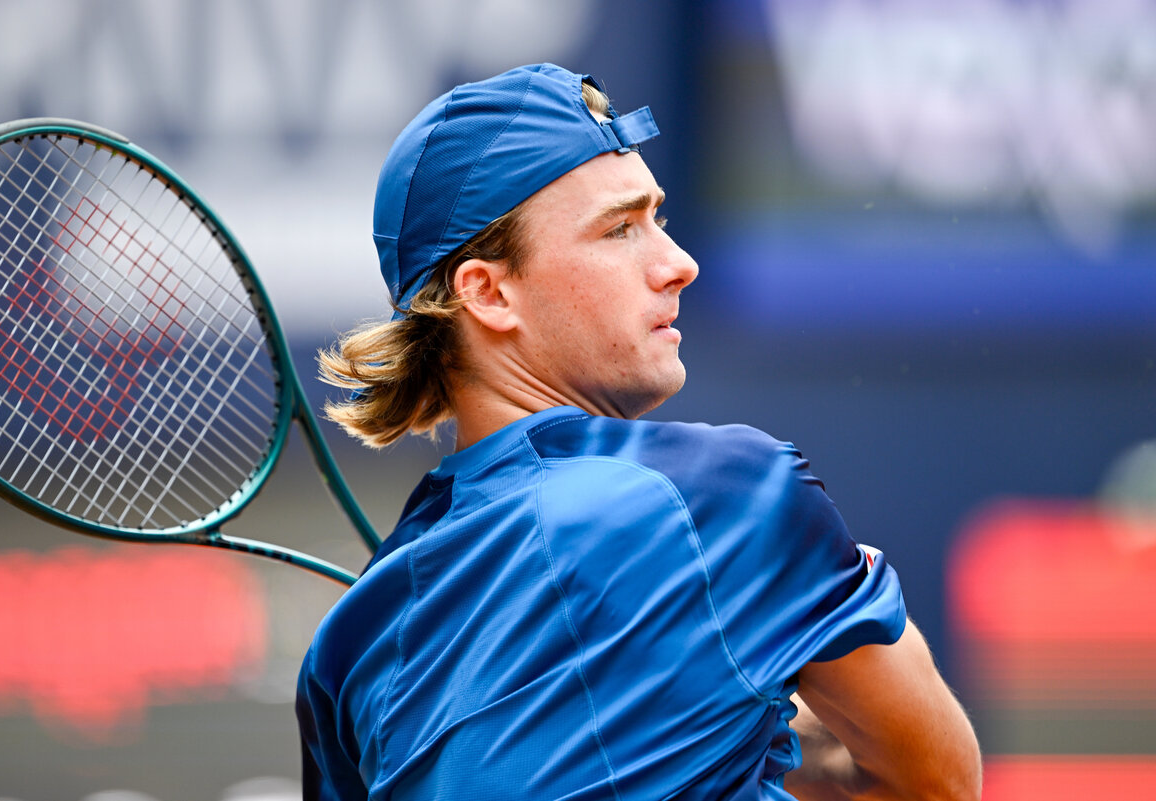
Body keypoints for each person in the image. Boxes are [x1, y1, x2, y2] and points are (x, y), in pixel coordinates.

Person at [296, 63, 981, 801]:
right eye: (620, 229)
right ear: (489, 293)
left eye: (659, 218)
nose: (677, 264)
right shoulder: (725, 497)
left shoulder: (346, 647)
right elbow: (936, 782)